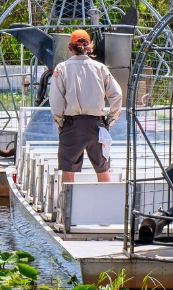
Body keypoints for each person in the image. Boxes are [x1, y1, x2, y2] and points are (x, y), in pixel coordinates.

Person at [49, 28, 122, 183]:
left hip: (71, 125)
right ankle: (106, 204)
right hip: (97, 125)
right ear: (89, 48)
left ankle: (67, 205)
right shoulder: (100, 68)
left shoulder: (61, 68)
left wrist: (59, 122)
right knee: (102, 169)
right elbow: (117, 95)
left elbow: (56, 100)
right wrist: (110, 120)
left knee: (68, 170)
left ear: (70, 48)